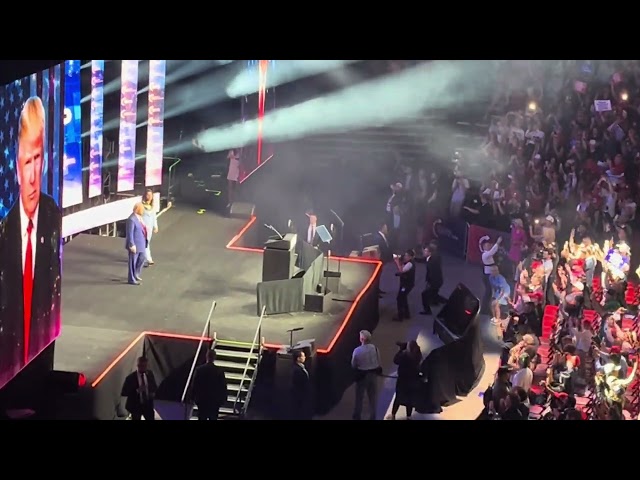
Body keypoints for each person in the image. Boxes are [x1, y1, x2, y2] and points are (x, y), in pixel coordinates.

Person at [0, 96, 62, 386]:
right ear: (15, 164)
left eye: (38, 159)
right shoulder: (3, 232)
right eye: (27, 161)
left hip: (39, 353)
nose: (33, 175)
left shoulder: (51, 214)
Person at [351, 330, 382, 420]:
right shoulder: (375, 348)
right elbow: (379, 361)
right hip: (373, 375)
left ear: (361, 339)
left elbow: (353, 364)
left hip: (362, 376)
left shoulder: (357, 351)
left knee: (359, 397)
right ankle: (373, 416)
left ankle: (357, 415)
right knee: (372, 397)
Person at [388, 340, 422, 420]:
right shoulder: (417, 355)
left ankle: (393, 415)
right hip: (413, 381)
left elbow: (395, 360)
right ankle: (409, 416)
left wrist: (400, 350)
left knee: (398, 398)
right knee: (409, 399)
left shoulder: (404, 356)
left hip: (402, 381)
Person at [192, 349, 228, 420]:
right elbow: (223, 386)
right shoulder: (219, 371)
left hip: (202, 400)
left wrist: (194, 397)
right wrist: (222, 399)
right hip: (214, 401)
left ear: (206, 357)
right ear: (214, 357)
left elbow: (195, 385)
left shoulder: (199, 370)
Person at [121, 356, 157, 420]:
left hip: (148, 405)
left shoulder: (150, 374)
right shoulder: (130, 378)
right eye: (142, 366)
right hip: (136, 406)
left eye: (145, 366)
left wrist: (152, 393)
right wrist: (137, 391)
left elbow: (154, 386)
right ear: (138, 365)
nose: (144, 368)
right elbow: (124, 392)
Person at [418, 243, 443, 315]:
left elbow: (433, 273)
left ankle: (427, 310)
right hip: (436, 281)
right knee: (434, 295)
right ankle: (437, 302)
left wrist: (430, 283)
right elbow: (422, 260)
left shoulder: (433, 260)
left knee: (424, 295)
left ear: (430, 252)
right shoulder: (429, 258)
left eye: (425, 251)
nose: (423, 252)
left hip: (435, 282)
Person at [125, 203, 147, 285]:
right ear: (138, 209)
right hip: (135, 245)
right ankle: (131, 279)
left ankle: (136, 274)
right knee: (132, 262)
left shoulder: (139, 218)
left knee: (142, 258)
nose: (143, 211)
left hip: (141, 244)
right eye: (142, 209)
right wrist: (132, 244)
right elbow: (129, 233)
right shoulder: (131, 219)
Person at [480, 236, 502, 315]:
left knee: (489, 293)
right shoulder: (485, 255)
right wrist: (497, 242)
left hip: (490, 275)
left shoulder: (487, 254)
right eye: (487, 245)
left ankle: (485, 309)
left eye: (489, 245)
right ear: (483, 247)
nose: (489, 246)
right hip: (487, 276)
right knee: (488, 292)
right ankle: (484, 309)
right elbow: (492, 251)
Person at [393, 249, 416, 321]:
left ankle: (400, 316)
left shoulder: (410, 264)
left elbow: (401, 271)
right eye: (405, 255)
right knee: (404, 298)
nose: (405, 257)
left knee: (400, 298)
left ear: (411, 257)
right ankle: (407, 314)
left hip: (406, 285)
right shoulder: (408, 262)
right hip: (407, 283)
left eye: (407, 256)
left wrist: (397, 262)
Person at [291, 350, 313, 420]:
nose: (305, 357)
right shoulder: (296, 370)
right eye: (303, 356)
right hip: (300, 395)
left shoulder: (302, 367)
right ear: (298, 358)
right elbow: (298, 383)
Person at [141, 189, 158, 266]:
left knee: (146, 243)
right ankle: (148, 259)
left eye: (151, 195)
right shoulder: (141, 206)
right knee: (145, 243)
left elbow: (154, 217)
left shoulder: (153, 206)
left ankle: (143, 257)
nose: (149, 197)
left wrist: (155, 226)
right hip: (142, 228)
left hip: (150, 229)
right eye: (148, 195)